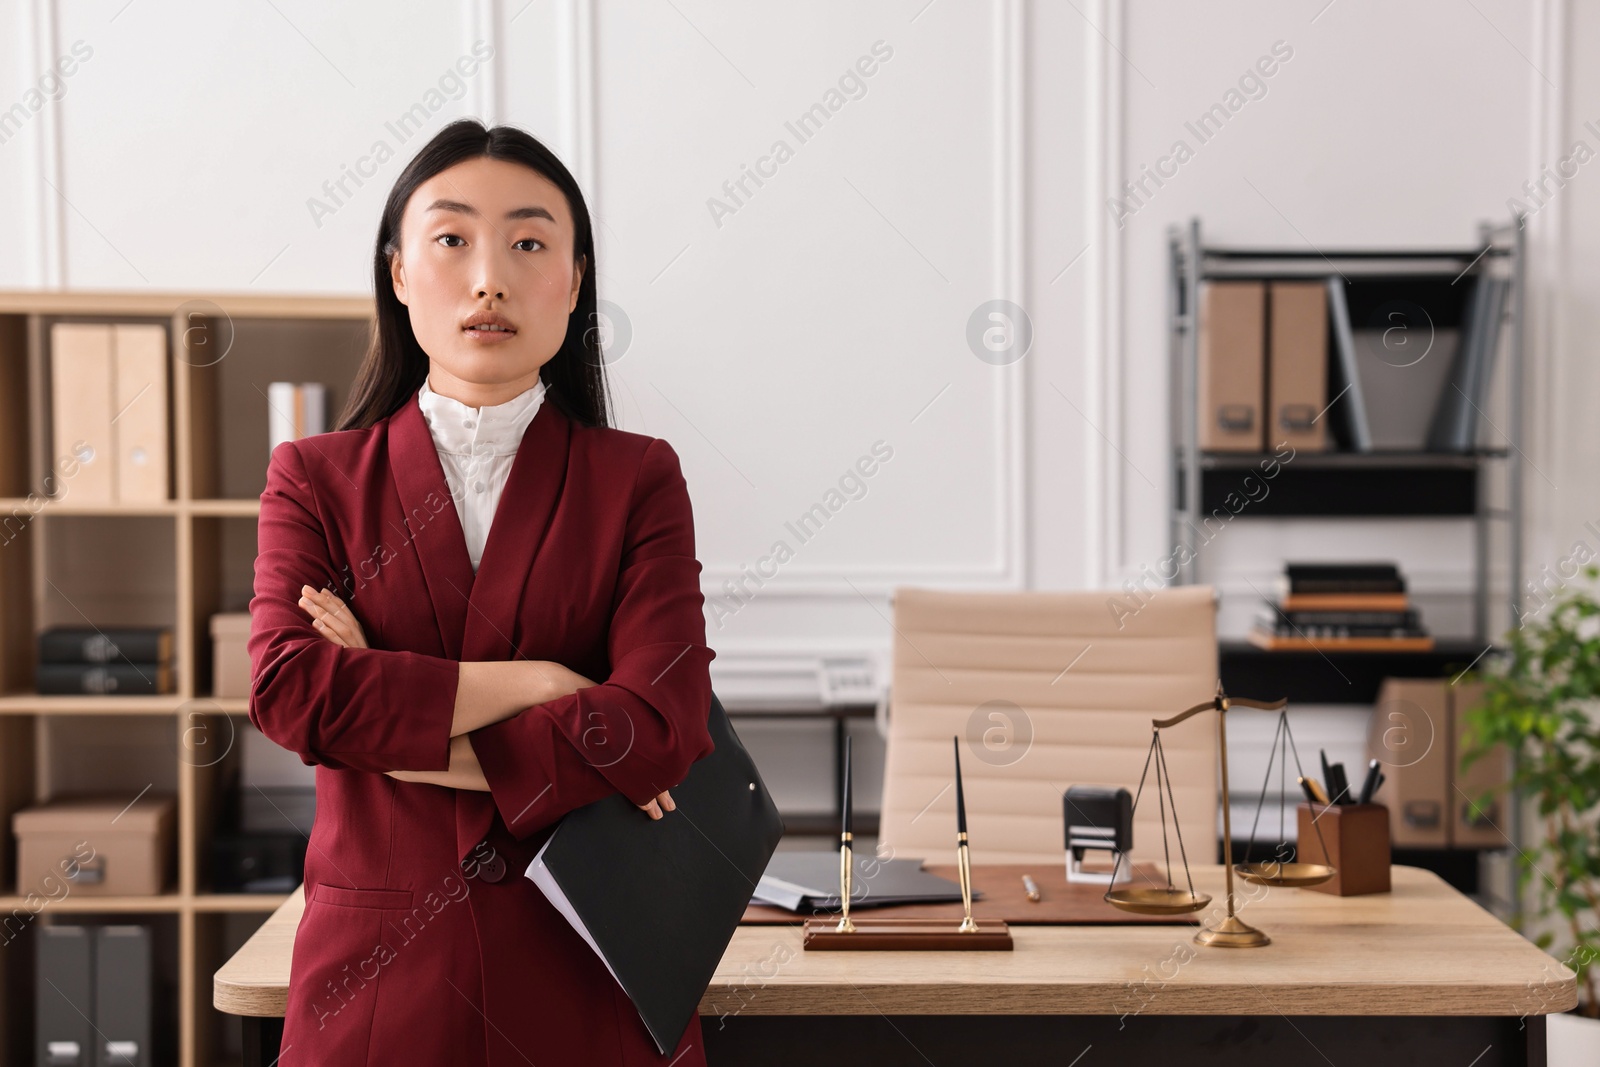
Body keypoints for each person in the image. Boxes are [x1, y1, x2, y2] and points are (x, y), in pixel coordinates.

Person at [246, 118, 715, 1065]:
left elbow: (660, 727)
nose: (489, 277)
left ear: (575, 283)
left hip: (591, 978)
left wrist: (380, 692)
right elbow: (289, 693)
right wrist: (546, 682)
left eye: (530, 242)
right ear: (399, 272)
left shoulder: (639, 479)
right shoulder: (315, 477)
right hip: (378, 989)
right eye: (452, 239)